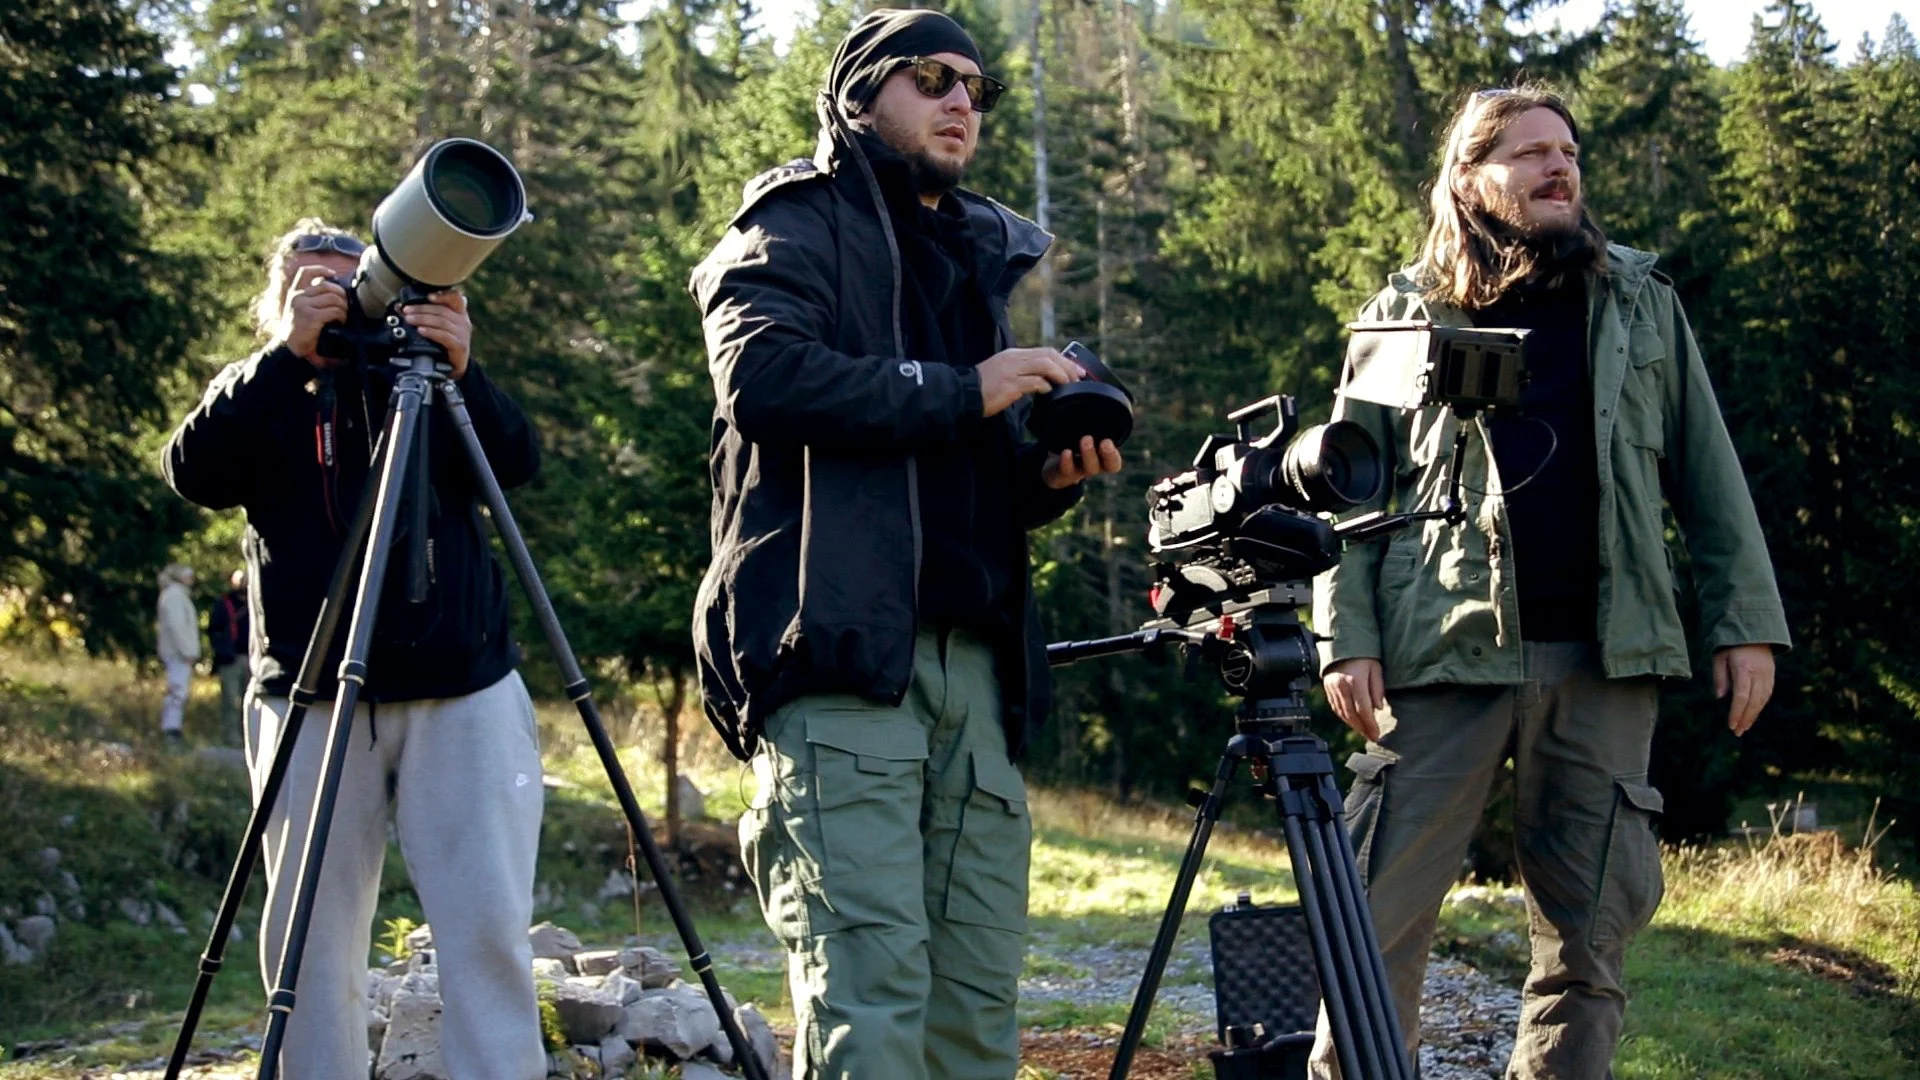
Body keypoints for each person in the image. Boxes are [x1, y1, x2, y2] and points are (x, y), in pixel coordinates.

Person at [1310, 86, 1791, 1079]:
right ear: (1467, 179)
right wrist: (1344, 634)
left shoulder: (1639, 300)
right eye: (1527, 153)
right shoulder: (1404, 314)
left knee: (1590, 940)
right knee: (1372, 926)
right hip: (1441, 653)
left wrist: (1746, 624)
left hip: (1607, 655)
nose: (1558, 167)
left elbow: (1709, 472)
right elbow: (1350, 490)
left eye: (1565, 150)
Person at [689, 10, 1122, 1078]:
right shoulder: (793, 223)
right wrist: (964, 389)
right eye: (933, 77)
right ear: (859, 93)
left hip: (971, 677)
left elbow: (946, 478)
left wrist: (1041, 479)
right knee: (870, 1002)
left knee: (974, 1014)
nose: (963, 101)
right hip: (839, 661)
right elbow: (762, 377)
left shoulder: (976, 255)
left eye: (979, 87)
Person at [163, 218, 546, 1079]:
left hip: (461, 689)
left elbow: (517, 461)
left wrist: (462, 368)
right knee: (309, 940)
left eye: (358, 280)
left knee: (486, 927)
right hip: (308, 694)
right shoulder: (261, 390)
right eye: (314, 286)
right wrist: (285, 359)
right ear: (279, 303)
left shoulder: (424, 379)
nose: (344, 299)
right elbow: (191, 471)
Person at [155, 562, 200, 743]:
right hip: (177, 653)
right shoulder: (174, 596)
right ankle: (171, 730)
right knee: (177, 691)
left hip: (178, 652)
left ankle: (174, 728)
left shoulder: (178, 595)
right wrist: (188, 651)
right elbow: (177, 627)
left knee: (179, 690)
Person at [208, 567, 250, 746]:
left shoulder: (256, 602)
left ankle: (249, 738)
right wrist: (224, 651)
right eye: (240, 580)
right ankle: (232, 737)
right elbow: (214, 630)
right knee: (230, 700)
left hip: (252, 658)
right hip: (231, 660)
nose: (243, 583)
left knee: (251, 701)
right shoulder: (223, 603)